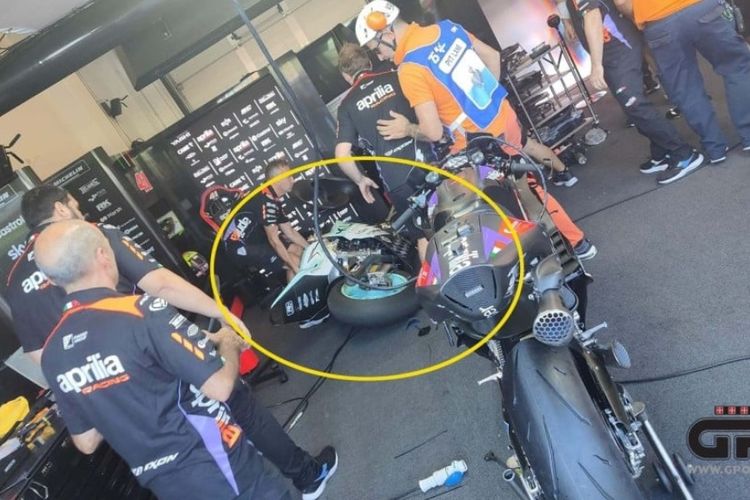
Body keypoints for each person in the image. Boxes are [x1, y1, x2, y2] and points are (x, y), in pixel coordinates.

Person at [2, 185, 337, 499]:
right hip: (160, 359)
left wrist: (100, 382)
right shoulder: (96, 236)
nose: (81, 211)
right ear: (61, 209)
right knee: (236, 406)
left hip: (125, 412)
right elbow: (160, 285)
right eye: (75, 205)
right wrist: (221, 317)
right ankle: (307, 475)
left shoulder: (15, 282)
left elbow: (42, 356)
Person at [34, 220, 291, 499]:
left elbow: (86, 440)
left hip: (165, 484)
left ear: (53, 280)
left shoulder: (52, 353)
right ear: (103, 255)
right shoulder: (141, 311)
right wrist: (228, 342)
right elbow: (219, 387)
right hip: (216, 461)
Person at [354, 0, 598, 260]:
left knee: (519, 196)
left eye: (376, 49)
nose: (380, 57)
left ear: (387, 33)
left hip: (479, 142)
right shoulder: (447, 28)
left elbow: (433, 132)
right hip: (503, 114)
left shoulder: (410, 68)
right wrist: (484, 100)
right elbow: (492, 56)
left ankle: (576, 244)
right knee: (522, 186)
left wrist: (407, 128)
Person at [569, 0, 704, 184]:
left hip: (619, 48)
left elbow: (592, 16)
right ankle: (661, 149)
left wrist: (596, 65)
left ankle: (683, 154)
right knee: (631, 107)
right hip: (613, 50)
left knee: (635, 104)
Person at [616, 0, 750, 163]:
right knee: (736, 67)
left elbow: (622, 2)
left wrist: (641, 16)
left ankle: (715, 147)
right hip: (702, 7)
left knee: (686, 88)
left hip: (658, 22)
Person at [334, 42, 433, 260]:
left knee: (423, 236)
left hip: (397, 180)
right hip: (428, 161)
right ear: (369, 62)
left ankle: (435, 281)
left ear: (345, 76)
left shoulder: (346, 106)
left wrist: (361, 180)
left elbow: (341, 154)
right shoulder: (395, 76)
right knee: (454, 212)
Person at [223, 158, 308, 284]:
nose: (293, 180)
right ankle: (300, 294)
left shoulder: (271, 196)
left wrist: (311, 248)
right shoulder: (266, 202)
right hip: (239, 247)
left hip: (255, 239)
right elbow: (274, 241)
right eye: (288, 176)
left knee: (299, 250)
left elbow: (289, 231)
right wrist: (296, 269)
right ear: (277, 179)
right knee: (295, 262)